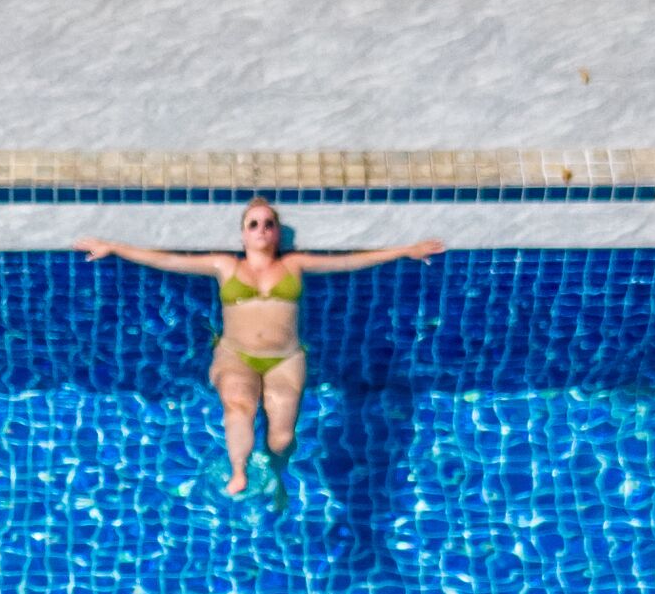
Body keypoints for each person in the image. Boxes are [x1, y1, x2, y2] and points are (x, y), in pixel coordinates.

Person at [77, 200, 446, 498]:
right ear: (242, 235)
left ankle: (277, 469)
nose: (262, 230)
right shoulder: (225, 265)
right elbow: (169, 260)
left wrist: (405, 251)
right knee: (239, 408)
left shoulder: (294, 264)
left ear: (276, 233)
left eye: (268, 223)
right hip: (235, 355)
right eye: (253, 224)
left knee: (281, 436)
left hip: (285, 359)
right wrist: (113, 248)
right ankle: (238, 471)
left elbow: (348, 261)